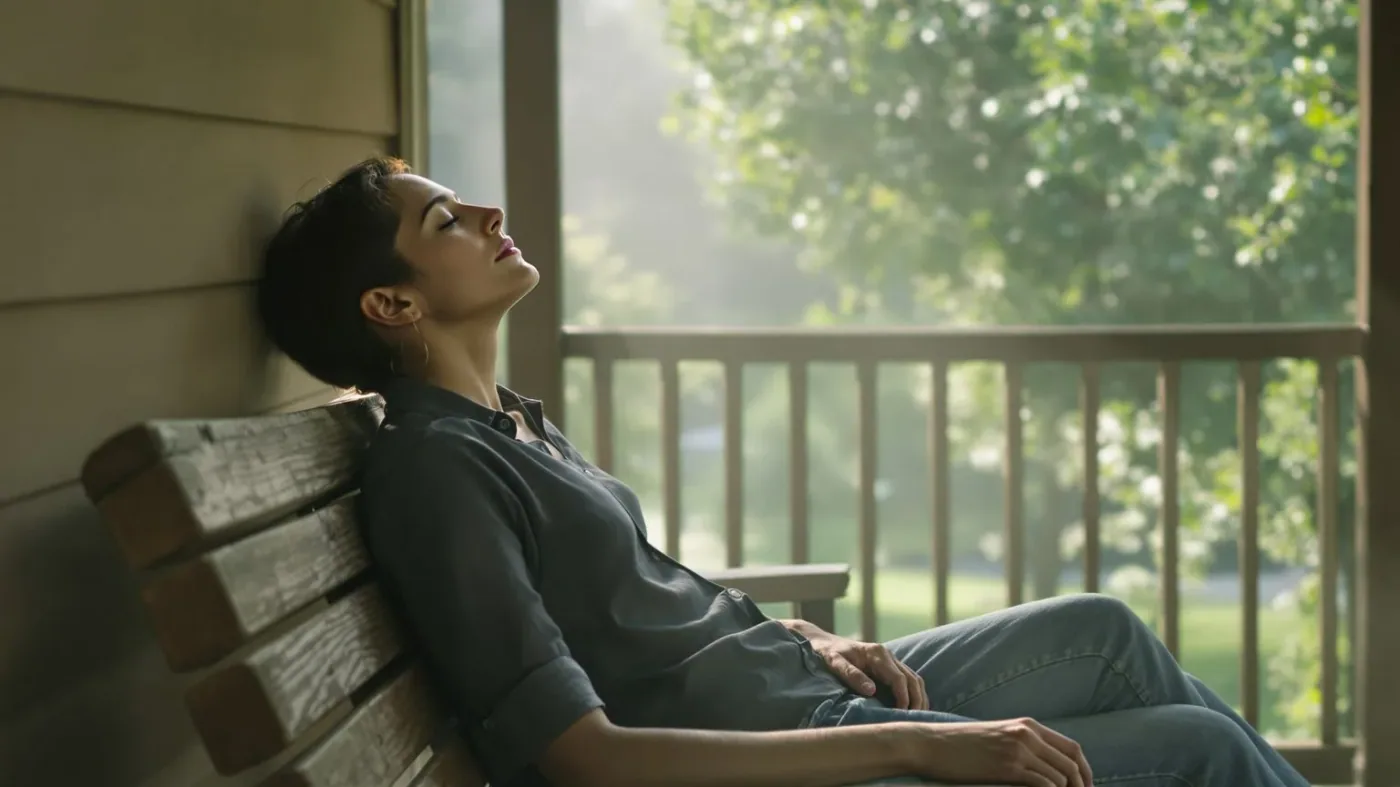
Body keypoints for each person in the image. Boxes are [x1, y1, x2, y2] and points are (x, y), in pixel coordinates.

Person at [257, 157, 1312, 787]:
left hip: (794, 692)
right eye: (445, 222)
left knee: (1103, 629)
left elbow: (635, 613)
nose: (487, 214)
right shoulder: (437, 471)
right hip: (788, 755)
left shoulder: (506, 425)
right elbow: (586, 755)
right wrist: (921, 750)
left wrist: (803, 632)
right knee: (1192, 750)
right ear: (392, 306)